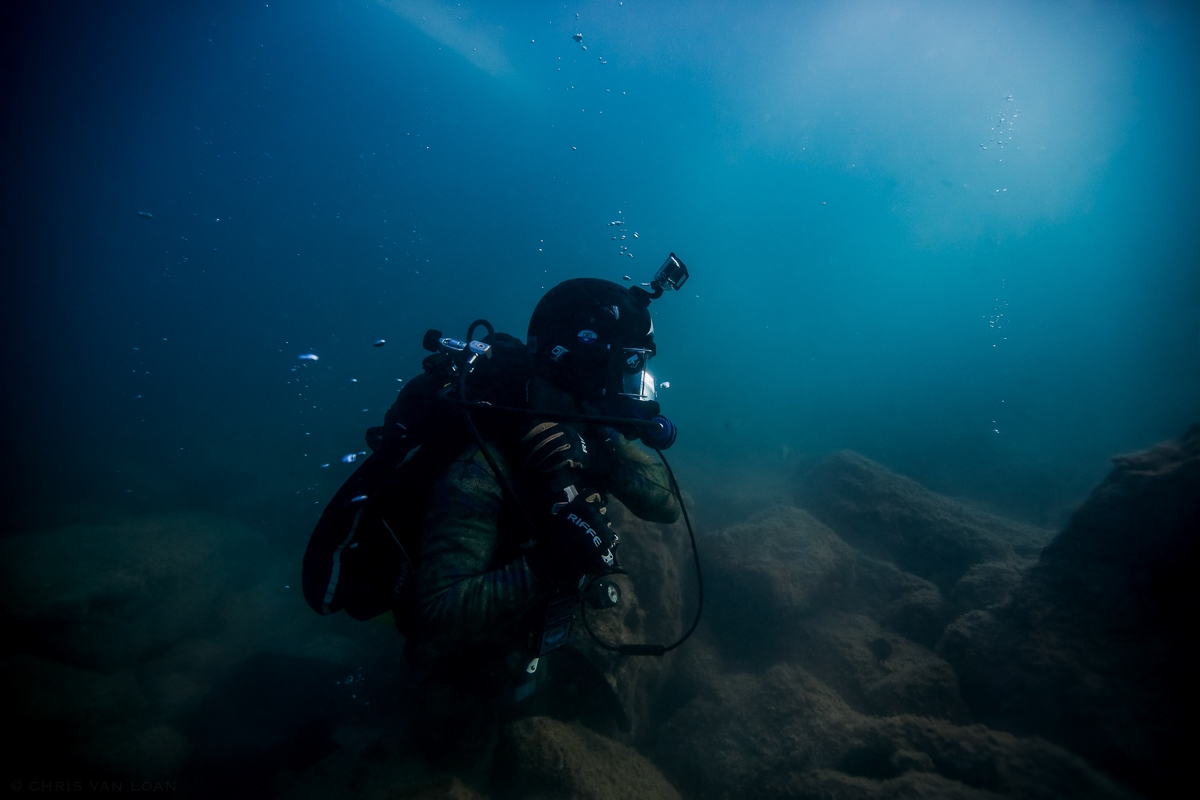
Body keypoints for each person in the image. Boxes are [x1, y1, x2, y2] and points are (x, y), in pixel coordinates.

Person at [405, 278, 681, 788]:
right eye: (626, 365)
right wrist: (550, 562)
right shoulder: (482, 468)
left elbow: (664, 504)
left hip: (530, 641)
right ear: (584, 364)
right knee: (457, 766)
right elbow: (438, 616)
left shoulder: (596, 432)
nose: (636, 383)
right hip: (457, 668)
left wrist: (600, 453)